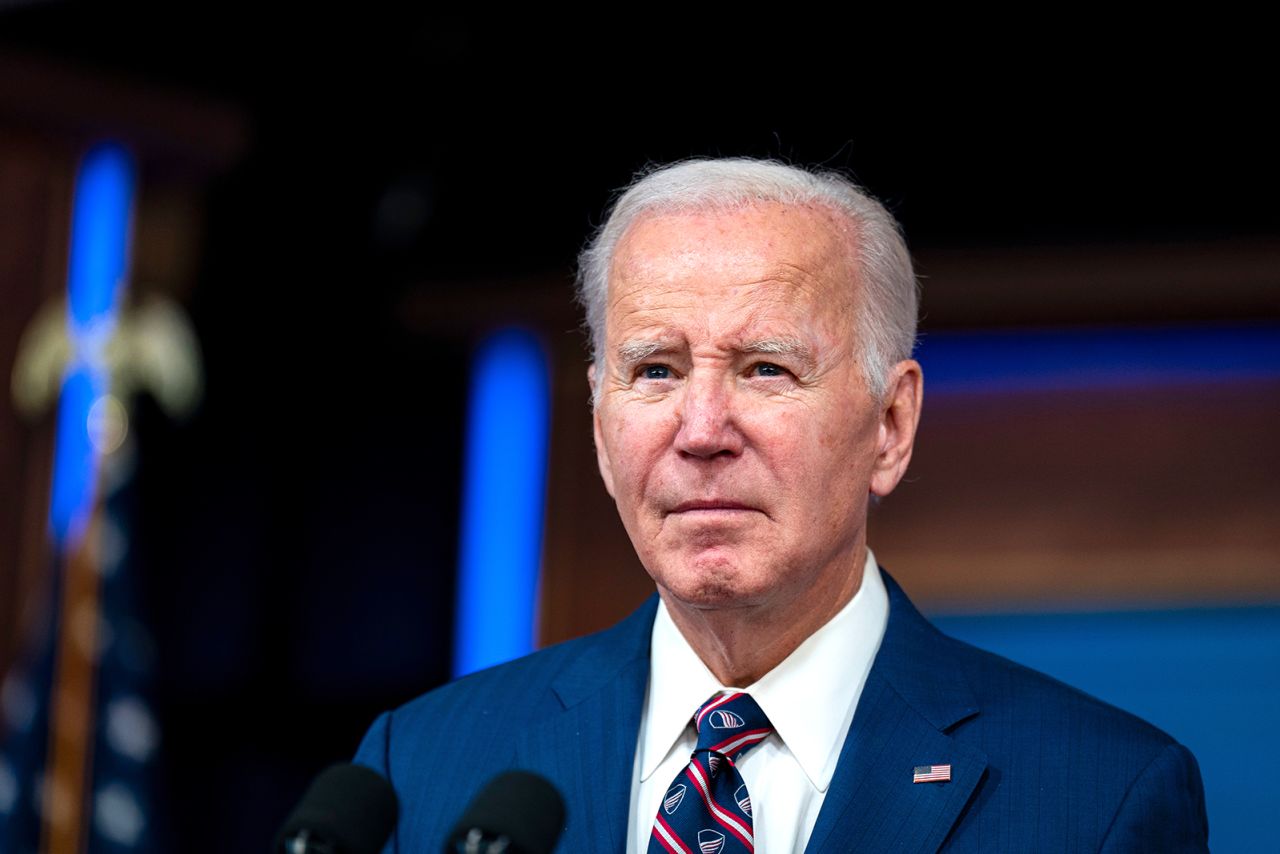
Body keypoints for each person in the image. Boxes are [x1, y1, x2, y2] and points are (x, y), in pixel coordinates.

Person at [355, 158, 1209, 852]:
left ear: (890, 424)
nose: (701, 430)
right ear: (598, 424)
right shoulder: (423, 769)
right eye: (656, 369)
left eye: (767, 368)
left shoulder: (1098, 798)